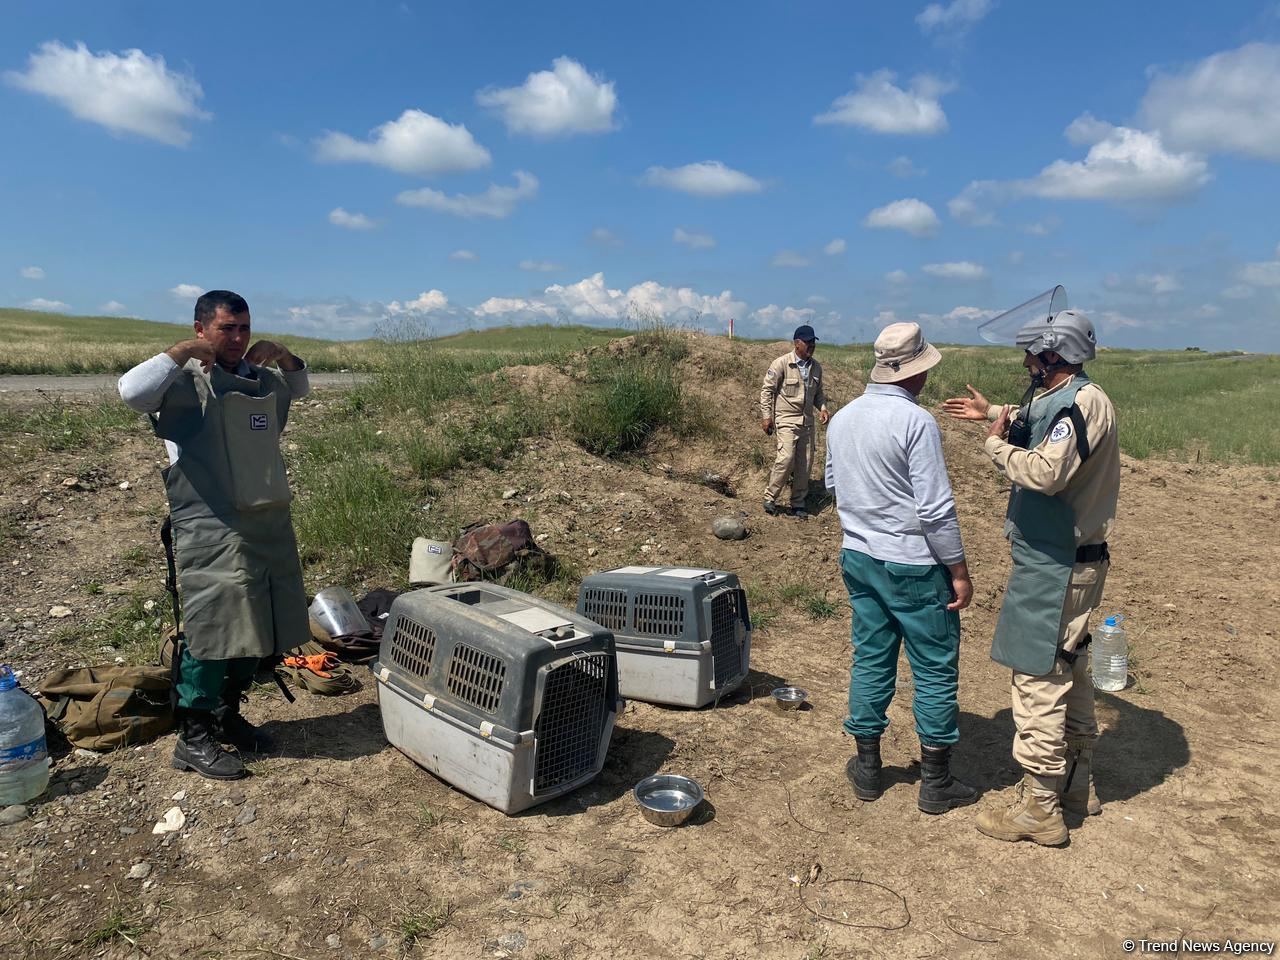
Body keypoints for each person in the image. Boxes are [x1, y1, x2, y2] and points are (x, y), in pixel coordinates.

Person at [941, 309, 1119, 845]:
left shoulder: (1081, 405)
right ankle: (1075, 781)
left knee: (1037, 675)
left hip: (1055, 563)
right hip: (1070, 559)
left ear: (1052, 356)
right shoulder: (1075, 399)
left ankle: (1040, 806)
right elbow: (1043, 417)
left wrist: (994, 445)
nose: (1025, 363)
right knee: (1071, 664)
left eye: (1032, 355)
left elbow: (1046, 470)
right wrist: (992, 412)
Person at [119, 290, 311, 780]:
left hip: (264, 521)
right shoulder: (179, 382)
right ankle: (194, 733)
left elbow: (300, 388)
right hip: (210, 524)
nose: (238, 338)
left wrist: (287, 358)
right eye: (227, 328)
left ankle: (228, 713)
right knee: (213, 626)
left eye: (244, 327)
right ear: (202, 328)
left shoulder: (257, 379)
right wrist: (180, 352)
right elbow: (130, 393)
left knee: (258, 621)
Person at [826, 322, 977, 814]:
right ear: (916, 371)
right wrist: (958, 568)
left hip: (859, 556)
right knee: (933, 667)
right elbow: (934, 509)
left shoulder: (842, 419)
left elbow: (834, 485)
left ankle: (868, 768)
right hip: (913, 563)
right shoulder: (916, 422)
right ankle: (936, 781)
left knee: (871, 657)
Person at [760, 324, 830, 519]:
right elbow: (767, 391)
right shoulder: (781, 364)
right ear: (796, 343)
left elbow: (819, 394)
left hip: (807, 422)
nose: (811, 346)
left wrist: (823, 408)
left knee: (805, 464)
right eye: (807, 342)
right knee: (786, 458)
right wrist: (767, 416)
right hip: (786, 420)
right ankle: (770, 497)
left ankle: (798, 503)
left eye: (813, 342)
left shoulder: (816, 367)